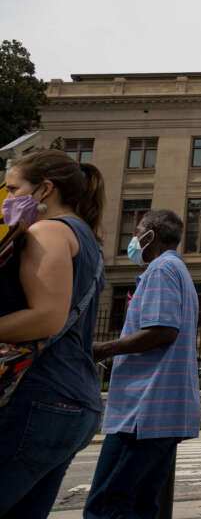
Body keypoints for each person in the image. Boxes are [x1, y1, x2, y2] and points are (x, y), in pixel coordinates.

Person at [0, 150, 106, 519]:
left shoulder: (48, 230)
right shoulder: (88, 240)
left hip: (39, 394)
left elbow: (47, 317)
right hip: (74, 399)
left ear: (44, 190)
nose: (6, 198)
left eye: (13, 189)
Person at [86, 209, 201, 518]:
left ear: (150, 236)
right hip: (161, 411)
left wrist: (103, 349)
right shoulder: (178, 271)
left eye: (138, 233)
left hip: (144, 412)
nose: (134, 239)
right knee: (141, 503)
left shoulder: (161, 270)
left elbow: (163, 330)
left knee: (106, 506)